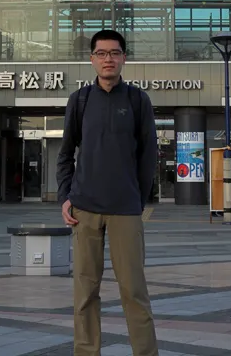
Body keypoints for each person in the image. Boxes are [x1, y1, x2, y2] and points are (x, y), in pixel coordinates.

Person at [57, 29, 159, 356]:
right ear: (92, 59)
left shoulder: (137, 100)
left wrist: (137, 198)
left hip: (125, 211)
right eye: (101, 53)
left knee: (134, 292)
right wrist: (66, 196)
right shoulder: (80, 100)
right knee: (85, 292)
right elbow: (65, 152)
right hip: (85, 210)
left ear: (124, 58)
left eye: (114, 53)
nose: (108, 59)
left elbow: (148, 156)